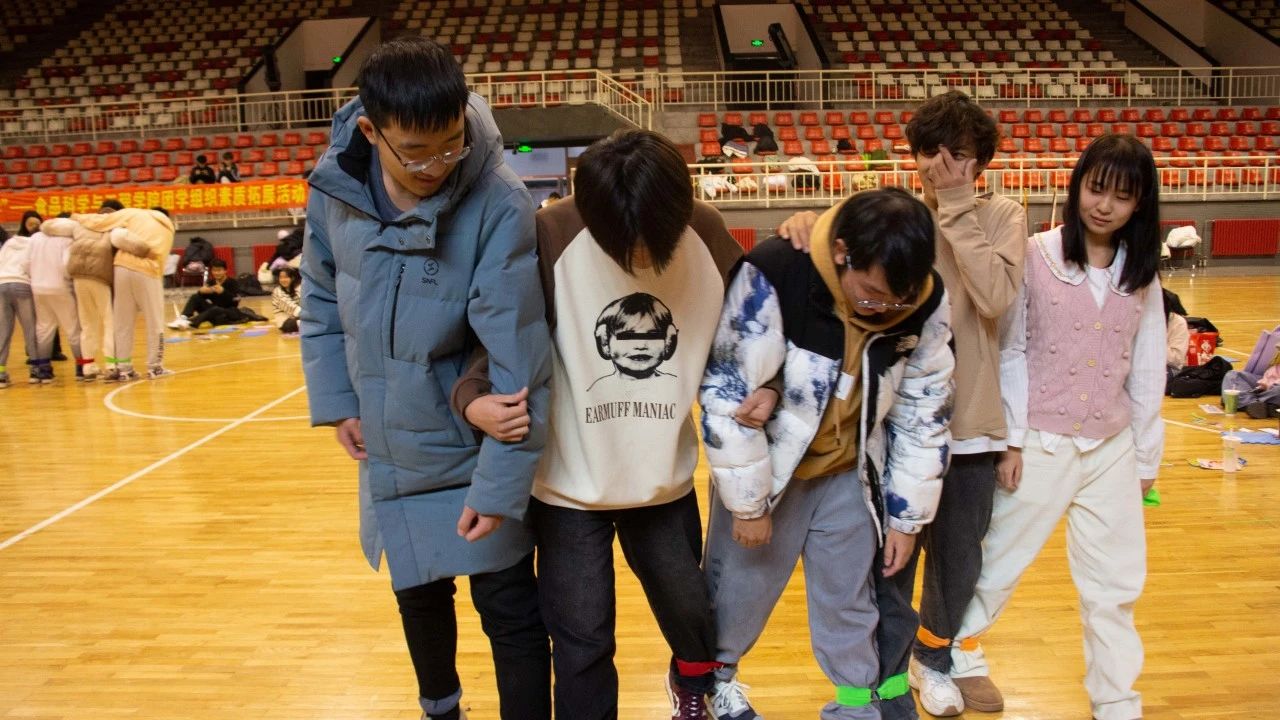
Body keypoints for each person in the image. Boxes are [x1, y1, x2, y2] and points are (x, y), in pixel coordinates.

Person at [299, 36, 553, 720]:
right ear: (369, 132)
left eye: (450, 147)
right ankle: (440, 708)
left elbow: (520, 359)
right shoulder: (335, 188)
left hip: (473, 446)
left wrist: (500, 487)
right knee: (416, 591)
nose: (436, 167)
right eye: (415, 153)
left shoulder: (498, 201)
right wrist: (340, 402)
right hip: (390, 441)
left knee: (510, 608)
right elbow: (320, 299)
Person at [452, 128, 743, 720]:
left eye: (651, 236)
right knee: (582, 639)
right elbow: (508, 333)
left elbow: (762, 319)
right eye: (623, 239)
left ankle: (693, 688)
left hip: (664, 479)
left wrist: (804, 240)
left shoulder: (707, 233)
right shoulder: (552, 231)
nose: (639, 252)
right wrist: (471, 397)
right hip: (567, 487)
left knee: (691, 615)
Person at [775, 90, 1028, 718]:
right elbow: (833, 251)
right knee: (891, 565)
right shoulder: (894, 217)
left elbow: (995, 298)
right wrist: (803, 223)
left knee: (959, 560)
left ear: (981, 161)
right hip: (893, 425)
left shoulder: (1003, 215)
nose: (941, 165)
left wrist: (958, 206)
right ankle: (886, 683)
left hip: (972, 423)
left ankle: (934, 660)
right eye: (929, 152)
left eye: (958, 154)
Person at [700, 187, 954, 720]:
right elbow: (727, 393)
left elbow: (924, 410)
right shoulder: (775, 271)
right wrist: (748, 505)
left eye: (898, 302)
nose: (884, 310)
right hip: (773, 473)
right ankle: (715, 683)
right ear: (842, 252)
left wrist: (907, 519)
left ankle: (855, 703)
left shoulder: (924, 299)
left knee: (849, 602)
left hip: (849, 474)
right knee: (739, 593)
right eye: (872, 294)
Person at [951, 134, 1166, 720]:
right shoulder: (1037, 255)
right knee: (998, 562)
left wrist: (1146, 459)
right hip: (1041, 441)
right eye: (1096, 188)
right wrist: (1012, 441)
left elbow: (1148, 368)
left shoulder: (1141, 274)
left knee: (1115, 585)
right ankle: (954, 654)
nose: (1105, 205)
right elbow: (1012, 350)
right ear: (1077, 187)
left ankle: (1116, 698)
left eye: (1122, 196)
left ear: (1140, 204)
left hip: (1111, 446)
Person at [70, 206, 176, 381]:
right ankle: (155, 367)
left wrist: (77, 216)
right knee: (155, 322)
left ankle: (124, 369)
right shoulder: (169, 229)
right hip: (149, 271)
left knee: (122, 322)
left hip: (121, 268)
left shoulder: (134, 213)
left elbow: (102, 220)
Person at [42, 214, 115, 382]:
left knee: (87, 323)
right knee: (109, 322)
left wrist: (76, 220)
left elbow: (47, 226)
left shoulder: (78, 225)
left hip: (78, 277)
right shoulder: (111, 226)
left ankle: (88, 366)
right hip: (100, 276)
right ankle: (111, 365)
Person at [28, 211, 84, 381]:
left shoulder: (35, 238)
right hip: (61, 288)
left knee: (44, 328)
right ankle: (81, 368)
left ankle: (44, 370)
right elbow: (67, 265)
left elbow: (26, 262)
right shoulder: (67, 240)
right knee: (73, 329)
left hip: (38, 288)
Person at [0, 215, 37, 388]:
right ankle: (36, 370)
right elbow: (31, 266)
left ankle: (1, 373)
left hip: (2, 284)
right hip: (22, 284)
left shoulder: (8, 243)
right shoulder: (33, 244)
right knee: (30, 329)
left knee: (3, 331)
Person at [168, 257, 240, 329]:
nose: (216, 273)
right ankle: (183, 317)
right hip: (213, 312)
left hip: (226, 313)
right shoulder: (211, 282)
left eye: (219, 270)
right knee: (195, 297)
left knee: (215, 309)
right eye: (214, 270)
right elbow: (200, 299)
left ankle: (190, 322)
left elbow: (235, 302)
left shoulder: (232, 282)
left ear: (225, 271)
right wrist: (201, 292)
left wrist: (223, 292)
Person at [271, 266, 301, 333]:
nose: (283, 280)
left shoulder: (295, 289)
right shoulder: (277, 291)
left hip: (297, 317)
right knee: (311, 322)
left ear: (292, 278)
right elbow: (293, 309)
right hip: (285, 323)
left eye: (286, 277)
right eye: (281, 277)